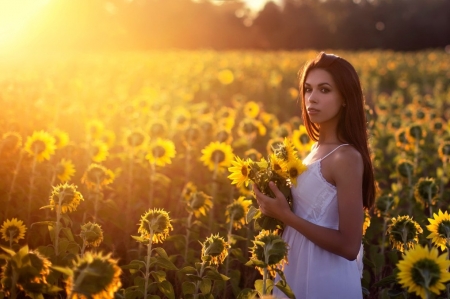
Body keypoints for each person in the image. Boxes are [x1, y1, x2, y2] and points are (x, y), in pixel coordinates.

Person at [253, 52, 376, 298]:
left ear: (345, 98)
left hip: (325, 276)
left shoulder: (346, 158)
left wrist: (285, 216)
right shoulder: (314, 151)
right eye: (308, 89)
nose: (312, 99)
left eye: (324, 90)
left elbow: (350, 246)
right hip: (296, 267)